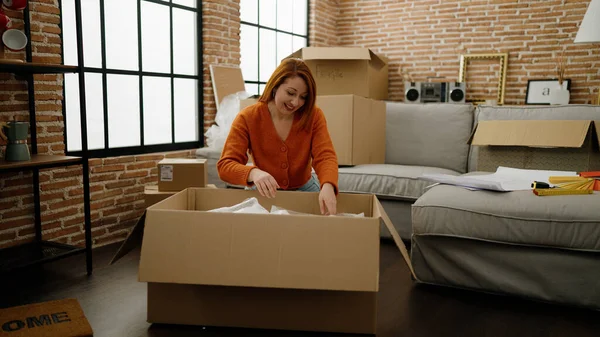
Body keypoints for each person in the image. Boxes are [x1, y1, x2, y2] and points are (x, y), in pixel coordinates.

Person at [217, 58, 338, 215]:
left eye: (303, 97)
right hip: (261, 191)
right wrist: (254, 173)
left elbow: (325, 156)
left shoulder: (314, 116)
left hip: (305, 189)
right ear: (275, 86)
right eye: (291, 93)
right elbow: (225, 165)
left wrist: (327, 184)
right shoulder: (247, 117)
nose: (296, 102)